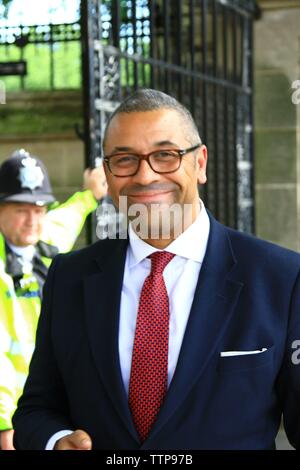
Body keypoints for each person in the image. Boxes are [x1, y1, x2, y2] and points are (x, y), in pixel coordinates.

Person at [13, 89, 300, 450]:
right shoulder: (68, 278)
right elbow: (36, 410)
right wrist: (55, 441)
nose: (145, 176)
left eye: (165, 155)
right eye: (124, 159)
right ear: (108, 175)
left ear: (200, 164)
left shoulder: (282, 278)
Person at [0, 149, 107, 450]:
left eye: (39, 209)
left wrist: (89, 194)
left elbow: (68, 218)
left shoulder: (46, 239)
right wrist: (5, 423)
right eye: (21, 209)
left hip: (48, 404)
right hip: (11, 413)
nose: (33, 219)